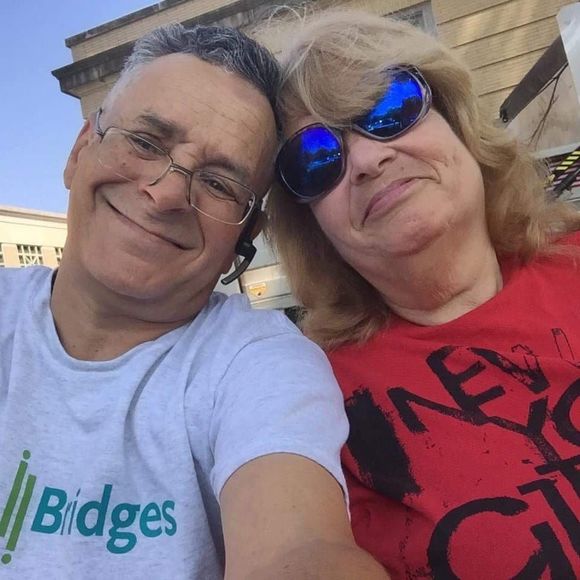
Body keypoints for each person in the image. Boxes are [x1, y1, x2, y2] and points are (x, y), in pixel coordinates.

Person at [0, 22, 389, 580]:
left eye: (220, 183)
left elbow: (299, 549)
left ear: (243, 240)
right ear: (80, 150)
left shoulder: (259, 365)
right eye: (144, 141)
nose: (165, 194)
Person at [267, 8, 580, 579]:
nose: (366, 159)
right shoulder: (311, 402)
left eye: (389, 108)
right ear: (312, 227)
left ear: (457, 119)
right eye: (316, 158)